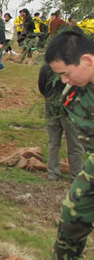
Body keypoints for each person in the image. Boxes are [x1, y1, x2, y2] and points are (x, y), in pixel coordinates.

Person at [44, 31, 94, 259]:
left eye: (65, 73)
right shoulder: (76, 95)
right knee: (73, 212)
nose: (63, 80)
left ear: (87, 61)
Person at [37, 64, 84, 182]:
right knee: (75, 145)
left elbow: (41, 87)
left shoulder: (46, 66)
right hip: (69, 110)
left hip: (51, 107)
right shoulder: (72, 65)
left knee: (54, 142)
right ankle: (75, 176)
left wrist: (49, 98)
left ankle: (52, 174)